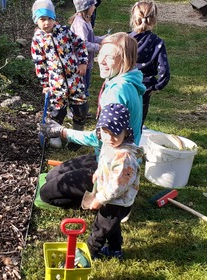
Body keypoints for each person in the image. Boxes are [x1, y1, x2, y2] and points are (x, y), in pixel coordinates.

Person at [38, 32, 145, 208]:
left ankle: (109, 201)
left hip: (114, 163)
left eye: (109, 57)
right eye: (100, 54)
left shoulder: (118, 92)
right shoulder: (127, 79)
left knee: (47, 194)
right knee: (51, 176)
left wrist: (62, 132)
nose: (101, 61)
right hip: (106, 153)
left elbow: (101, 137)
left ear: (125, 60)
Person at [85, 103, 141, 260]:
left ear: (125, 132)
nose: (109, 138)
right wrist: (98, 172)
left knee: (100, 228)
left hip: (116, 201)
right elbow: (105, 162)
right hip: (111, 197)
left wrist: (99, 199)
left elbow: (117, 186)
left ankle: (90, 253)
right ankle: (115, 250)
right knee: (112, 226)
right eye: (105, 132)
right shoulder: (109, 144)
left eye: (115, 134)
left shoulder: (124, 157)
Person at [31, 0, 89, 148]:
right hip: (56, 83)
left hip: (75, 79)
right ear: (36, 20)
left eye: (50, 18)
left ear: (54, 18)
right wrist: (45, 84)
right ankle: (55, 134)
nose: (46, 23)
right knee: (57, 110)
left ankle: (77, 136)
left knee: (80, 108)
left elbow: (80, 44)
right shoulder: (38, 40)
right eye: (42, 19)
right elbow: (40, 64)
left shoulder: (64, 31)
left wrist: (83, 62)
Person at [129, 0, 170, 126]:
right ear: (154, 20)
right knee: (138, 121)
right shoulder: (157, 42)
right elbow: (164, 69)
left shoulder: (125, 39)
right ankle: (134, 140)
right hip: (145, 87)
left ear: (134, 18)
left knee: (121, 117)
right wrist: (157, 85)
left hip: (124, 83)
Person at [69, 0, 104, 116]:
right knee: (80, 87)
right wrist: (99, 47)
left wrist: (101, 39)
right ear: (86, 7)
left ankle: (81, 110)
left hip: (86, 62)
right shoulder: (80, 24)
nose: (94, 7)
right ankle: (75, 112)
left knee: (85, 86)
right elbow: (83, 44)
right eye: (93, 5)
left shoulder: (85, 21)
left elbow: (90, 39)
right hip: (80, 63)